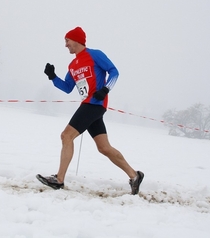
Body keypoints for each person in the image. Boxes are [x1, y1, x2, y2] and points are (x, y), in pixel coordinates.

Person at [36, 26, 144, 195]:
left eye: (67, 41)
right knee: (104, 148)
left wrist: (106, 89)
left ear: (77, 40)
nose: (66, 45)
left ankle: (59, 179)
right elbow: (67, 87)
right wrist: (53, 77)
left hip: (95, 104)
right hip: (88, 105)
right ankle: (134, 175)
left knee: (66, 136)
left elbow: (114, 72)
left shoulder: (95, 54)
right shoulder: (72, 64)